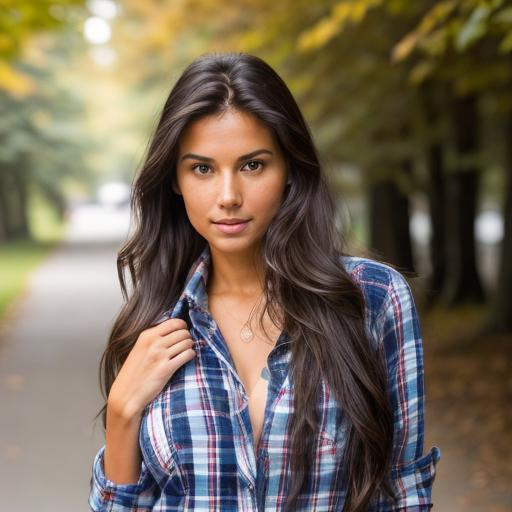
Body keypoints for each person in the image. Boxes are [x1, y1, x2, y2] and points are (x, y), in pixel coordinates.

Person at [88, 51, 441, 512]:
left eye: (253, 165)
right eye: (202, 168)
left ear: (289, 168)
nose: (229, 196)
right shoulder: (154, 324)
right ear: (174, 179)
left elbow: (403, 491)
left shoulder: (371, 299)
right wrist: (121, 415)